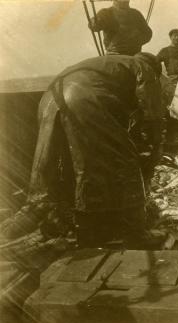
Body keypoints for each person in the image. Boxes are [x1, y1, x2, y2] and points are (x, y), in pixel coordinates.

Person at [2, 53, 163, 248]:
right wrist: (155, 145)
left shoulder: (109, 63)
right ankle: (136, 234)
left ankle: (36, 210)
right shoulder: (144, 67)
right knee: (127, 162)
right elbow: (152, 112)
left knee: (71, 164)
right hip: (83, 97)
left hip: (50, 98)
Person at [88, 0, 152, 56]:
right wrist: (94, 23)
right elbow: (94, 26)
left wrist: (135, 40)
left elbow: (148, 33)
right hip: (114, 54)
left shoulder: (136, 14)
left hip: (135, 54)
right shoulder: (106, 13)